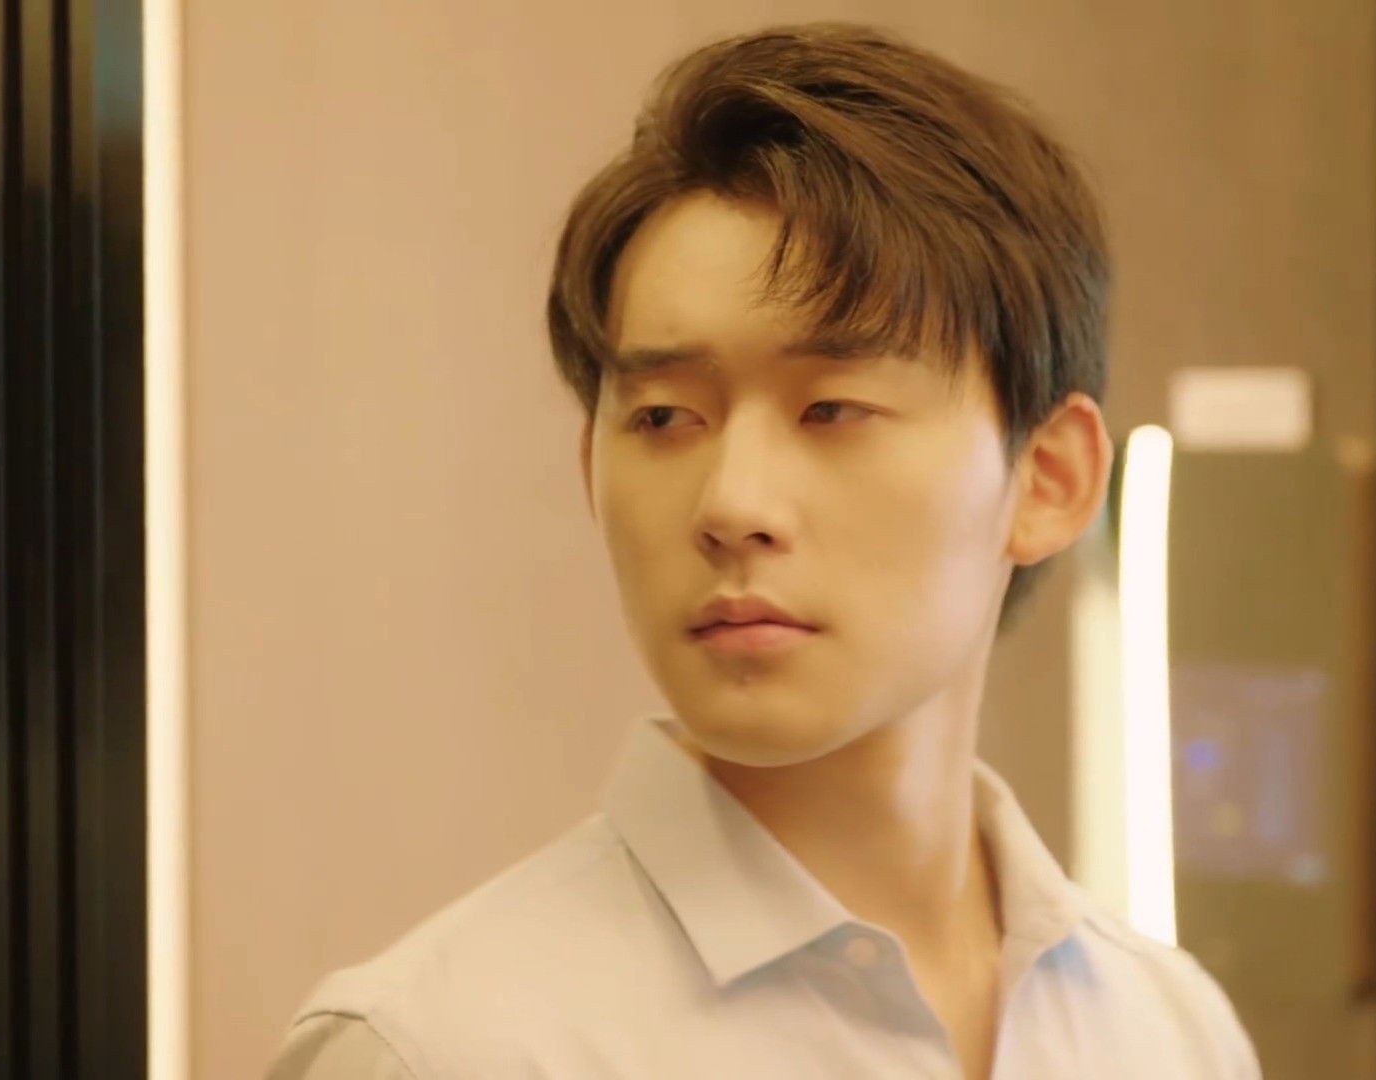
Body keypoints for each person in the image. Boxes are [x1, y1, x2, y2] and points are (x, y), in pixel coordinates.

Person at [269, 21, 1258, 1079]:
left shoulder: (1169, 1033)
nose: (732, 503)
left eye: (832, 408)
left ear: (1048, 478)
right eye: (663, 418)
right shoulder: (439, 1049)